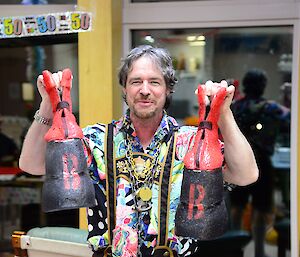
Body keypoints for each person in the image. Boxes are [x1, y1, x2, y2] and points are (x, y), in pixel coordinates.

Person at [19, 45, 258, 257]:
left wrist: (223, 112)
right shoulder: (96, 140)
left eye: (154, 82)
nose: (145, 90)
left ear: (167, 90)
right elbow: (31, 164)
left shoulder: (191, 142)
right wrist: (47, 106)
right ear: (125, 88)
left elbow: (246, 174)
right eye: (136, 81)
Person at [230, 68, 290, 257]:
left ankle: (234, 246)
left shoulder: (234, 106)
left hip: (237, 161)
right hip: (262, 163)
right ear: (262, 86)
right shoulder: (271, 107)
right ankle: (258, 250)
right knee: (260, 207)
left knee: (237, 206)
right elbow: (290, 119)